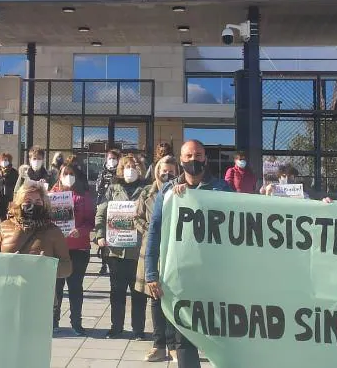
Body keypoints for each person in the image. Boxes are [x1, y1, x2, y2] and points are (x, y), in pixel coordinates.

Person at [144, 140, 234, 368]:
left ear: (206, 158)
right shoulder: (168, 192)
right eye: (188, 156)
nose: (194, 160)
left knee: (219, 333)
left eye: (199, 155)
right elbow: (155, 232)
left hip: (214, 275)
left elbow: (246, 214)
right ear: (181, 160)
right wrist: (151, 273)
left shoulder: (222, 189)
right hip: (181, 276)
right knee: (184, 336)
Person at [95, 154, 149, 340]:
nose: (130, 170)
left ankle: (138, 330)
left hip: (138, 250)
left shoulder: (146, 190)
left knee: (138, 294)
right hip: (116, 250)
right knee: (116, 292)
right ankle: (116, 327)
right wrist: (100, 235)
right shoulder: (112, 189)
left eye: (134, 166)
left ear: (140, 169)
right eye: (126, 166)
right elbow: (101, 214)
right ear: (120, 169)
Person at [136, 156, 179, 362]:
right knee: (155, 298)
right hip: (152, 250)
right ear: (157, 171)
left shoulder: (181, 192)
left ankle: (173, 344)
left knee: (171, 297)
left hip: (173, 251)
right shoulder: (147, 192)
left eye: (171, 171)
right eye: (164, 170)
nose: (167, 174)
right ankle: (158, 344)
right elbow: (138, 218)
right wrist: (151, 231)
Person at [0, 180, 72, 280]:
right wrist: (7, 263)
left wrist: (48, 267)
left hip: (39, 291)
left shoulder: (53, 231)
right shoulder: (4, 227)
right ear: (19, 203)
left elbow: (67, 267)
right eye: (28, 201)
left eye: (37, 202)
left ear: (44, 204)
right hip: (9, 290)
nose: (33, 205)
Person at [51, 163, 96, 335]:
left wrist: (82, 231)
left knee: (76, 287)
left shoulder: (84, 197)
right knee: (56, 288)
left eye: (71, 173)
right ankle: (53, 321)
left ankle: (76, 323)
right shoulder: (52, 195)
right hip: (57, 249)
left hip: (79, 249)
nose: (68, 176)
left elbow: (91, 221)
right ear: (60, 176)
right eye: (65, 173)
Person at [0, 152, 18, 220]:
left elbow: (16, 186)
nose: (4, 162)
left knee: (10, 219)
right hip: (0, 199)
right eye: (3, 160)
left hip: (10, 199)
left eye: (6, 160)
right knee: (1, 219)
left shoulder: (14, 172)